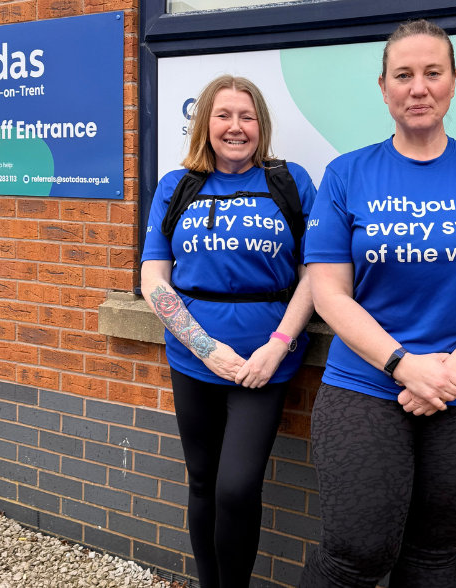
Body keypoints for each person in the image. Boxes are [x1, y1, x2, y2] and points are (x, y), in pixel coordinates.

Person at [299, 20, 456, 588]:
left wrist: (450, 374)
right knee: (353, 554)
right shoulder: (346, 174)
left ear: (454, 83)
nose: (418, 87)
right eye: (404, 75)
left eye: (433, 73)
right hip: (367, 384)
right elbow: (329, 292)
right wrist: (405, 365)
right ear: (383, 87)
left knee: (433, 555)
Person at [140, 75, 315, 588]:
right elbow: (153, 279)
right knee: (202, 482)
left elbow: (316, 276)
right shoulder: (178, 185)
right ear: (205, 123)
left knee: (236, 488)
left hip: (265, 364)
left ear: (260, 124)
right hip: (194, 361)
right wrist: (205, 347)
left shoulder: (289, 181)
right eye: (224, 115)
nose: (235, 127)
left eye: (247, 116)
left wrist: (277, 347)